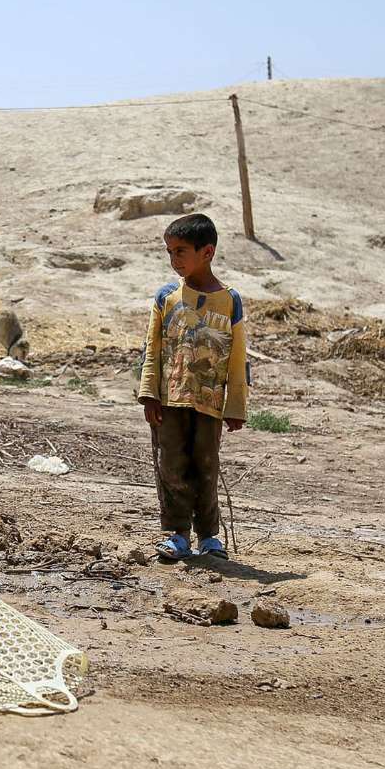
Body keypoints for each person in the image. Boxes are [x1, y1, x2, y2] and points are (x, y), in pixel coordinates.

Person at [137, 214, 249, 561]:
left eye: (181, 251)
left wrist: (235, 407)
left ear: (207, 252)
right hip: (169, 401)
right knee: (170, 464)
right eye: (169, 252)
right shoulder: (166, 297)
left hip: (210, 404)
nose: (174, 260)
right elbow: (152, 348)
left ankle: (209, 536)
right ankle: (177, 534)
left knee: (206, 465)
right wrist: (149, 393)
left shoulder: (229, 301)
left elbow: (237, 358)